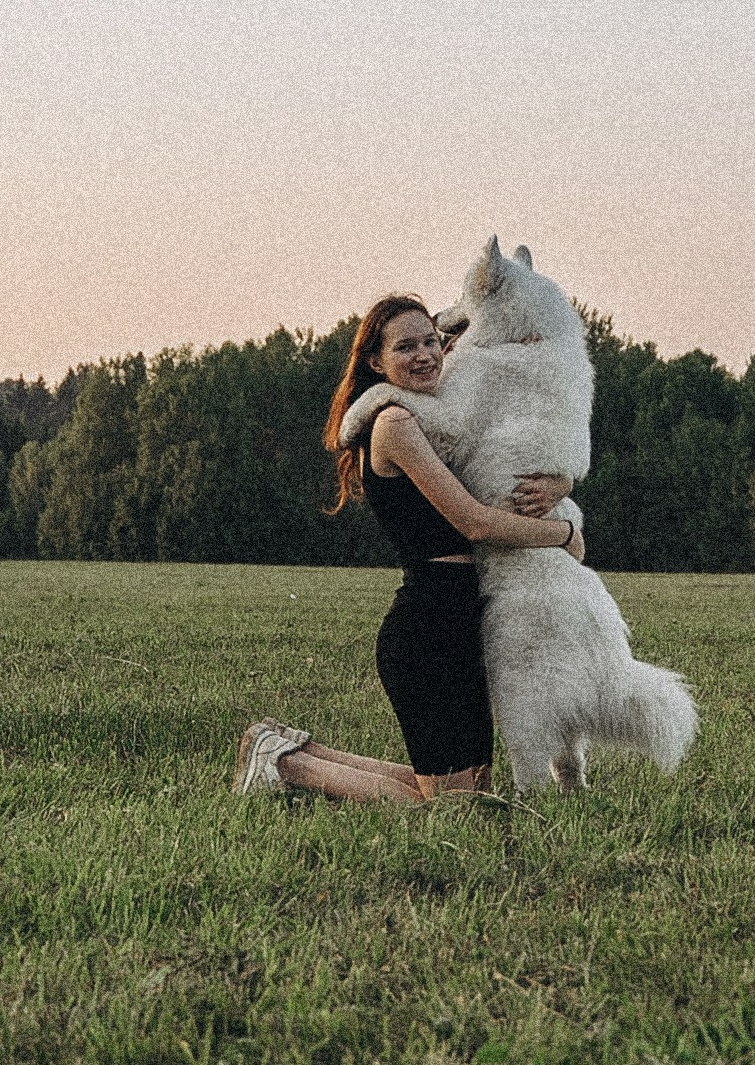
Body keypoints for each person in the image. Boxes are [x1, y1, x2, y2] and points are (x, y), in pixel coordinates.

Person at [234, 292, 582, 805]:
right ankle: (288, 765)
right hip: (427, 630)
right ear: (376, 361)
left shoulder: (432, 422)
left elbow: (507, 462)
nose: (424, 355)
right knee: (452, 808)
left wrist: (561, 484)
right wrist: (565, 535)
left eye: (430, 341)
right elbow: (475, 523)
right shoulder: (394, 425)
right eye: (405, 347)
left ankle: (285, 750)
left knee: (471, 794)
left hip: (463, 622)